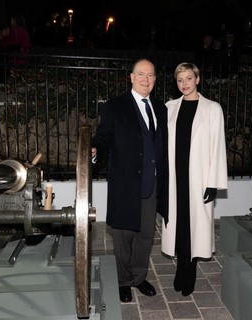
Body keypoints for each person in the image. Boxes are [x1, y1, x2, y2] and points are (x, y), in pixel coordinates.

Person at [91, 58, 168, 303]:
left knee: (146, 234)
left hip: (152, 183)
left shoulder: (160, 108)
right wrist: (94, 148)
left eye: (151, 75)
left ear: (155, 80)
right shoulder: (115, 106)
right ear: (132, 78)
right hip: (125, 182)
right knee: (123, 235)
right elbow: (103, 137)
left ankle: (138, 277)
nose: (146, 80)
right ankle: (123, 281)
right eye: (141, 75)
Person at [161, 62, 228, 296]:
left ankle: (190, 271)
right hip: (175, 177)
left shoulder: (212, 109)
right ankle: (181, 267)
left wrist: (214, 181)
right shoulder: (169, 107)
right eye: (180, 80)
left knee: (195, 226)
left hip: (199, 178)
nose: (184, 84)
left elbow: (218, 146)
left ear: (197, 79)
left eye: (189, 79)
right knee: (178, 225)